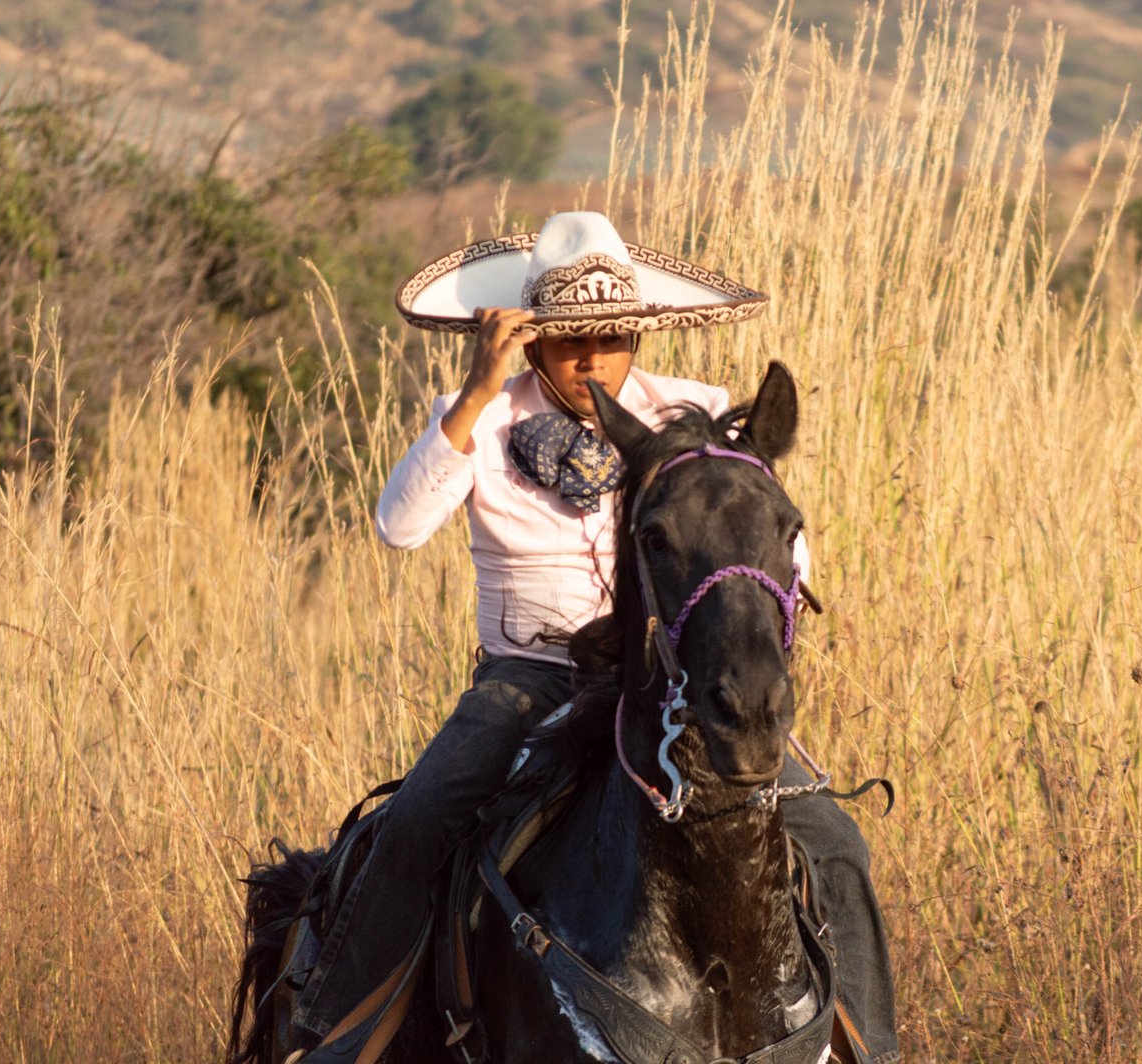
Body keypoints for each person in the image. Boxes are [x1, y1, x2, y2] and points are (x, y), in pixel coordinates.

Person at [291, 212, 898, 1062]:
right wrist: (475, 391)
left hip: (668, 681)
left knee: (835, 839)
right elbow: (398, 526)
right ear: (531, 338)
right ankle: (341, 1032)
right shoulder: (482, 419)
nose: (592, 359)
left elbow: (778, 547)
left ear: (637, 333)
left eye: (611, 338)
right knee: (419, 819)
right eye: (570, 340)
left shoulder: (697, 417)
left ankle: (874, 1047)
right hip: (527, 678)